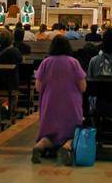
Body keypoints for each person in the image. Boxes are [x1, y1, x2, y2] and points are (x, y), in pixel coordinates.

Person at [32, 35, 86, 165]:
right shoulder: (73, 62)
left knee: (49, 135)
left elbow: (38, 87)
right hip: (70, 104)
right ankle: (66, 147)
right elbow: (83, 87)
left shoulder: (46, 62)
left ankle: (40, 145)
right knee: (72, 133)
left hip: (50, 104)